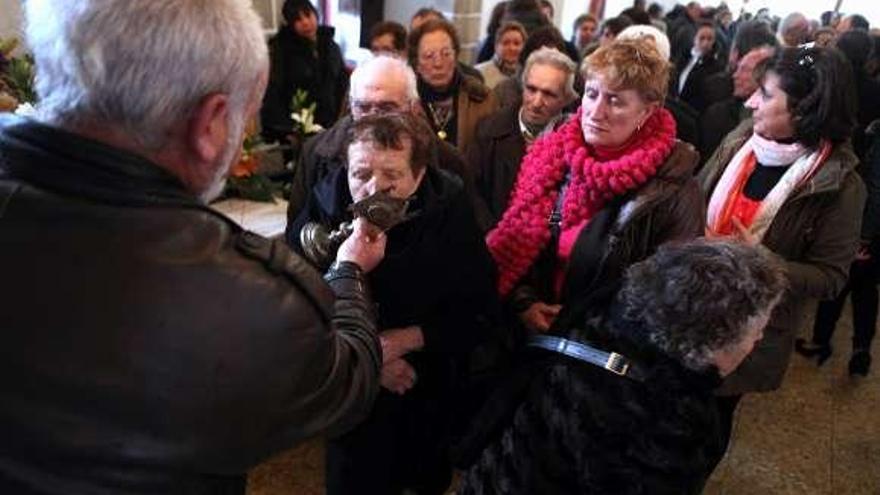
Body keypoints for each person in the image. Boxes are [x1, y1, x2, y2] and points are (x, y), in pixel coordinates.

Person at [0, 0, 387, 493]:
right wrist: (350, 270)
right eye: (245, 115)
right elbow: (347, 380)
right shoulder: (252, 298)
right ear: (210, 124)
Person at [457, 239, 787, 495]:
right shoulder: (674, 423)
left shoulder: (602, 314)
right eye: (757, 329)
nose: (758, 339)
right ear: (713, 339)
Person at [287, 113, 499, 495]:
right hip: (350, 387)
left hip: (426, 381)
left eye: (392, 175)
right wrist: (371, 360)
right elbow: (299, 305)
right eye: (361, 173)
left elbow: (479, 307)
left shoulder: (448, 209)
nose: (373, 189)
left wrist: (405, 340)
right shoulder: (324, 205)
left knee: (422, 479)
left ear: (418, 177)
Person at [699, 46, 866, 452]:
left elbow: (831, 279)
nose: (752, 101)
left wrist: (760, 261)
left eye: (767, 95)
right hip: (689, 305)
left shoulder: (841, 186)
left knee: (704, 431)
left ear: (807, 109)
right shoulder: (742, 137)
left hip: (745, 338)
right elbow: (696, 195)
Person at [487, 38, 704, 346]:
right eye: (591, 94)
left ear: (647, 111)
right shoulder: (554, 152)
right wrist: (524, 301)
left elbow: (667, 294)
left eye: (615, 101)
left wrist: (579, 325)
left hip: (604, 350)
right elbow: (520, 237)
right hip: (528, 333)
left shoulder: (673, 189)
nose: (595, 112)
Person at [285, 54, 469, 228]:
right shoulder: (317, 153)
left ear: (412, 107)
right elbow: (297, 235)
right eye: (363, 107)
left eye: (386, 107)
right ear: (351, 105)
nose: (373, 117)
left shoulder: (447, 160)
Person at [470, 47, 578, 231]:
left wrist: (551, 231)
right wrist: (493, 236)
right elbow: (472, 193)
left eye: (548, 94)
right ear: (522, 85)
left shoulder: (574, 145)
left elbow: (567, 204)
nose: (536, 102)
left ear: (566, 99)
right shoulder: (488, 131)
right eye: (531, 89)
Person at [260, 0, 347, 142]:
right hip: (298, 128)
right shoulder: (282, 50)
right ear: (290, 24)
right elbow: (273, 91)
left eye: (308, 15)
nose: (305, 22)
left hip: (330, 124)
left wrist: (341, 120)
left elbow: (342, 84)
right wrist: (286, 129)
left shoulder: (330, 45)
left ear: (315, 14)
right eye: (297, 19)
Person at [409, 19, 498, 153]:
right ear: (417, 64)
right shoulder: (406, 102)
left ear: (456, 57)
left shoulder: (482, 99)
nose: (438, 63)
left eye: (446, 54)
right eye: (428, 56)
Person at [699, 46, 776, 166]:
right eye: (738, 68)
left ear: (766, 76)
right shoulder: (716, 115)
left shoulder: (775, 126)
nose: (735, 75)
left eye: (744, 70)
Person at [675, 20, 724, 113]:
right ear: (694, 38)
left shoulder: (716, 66)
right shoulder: (683, 57)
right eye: (701, 38)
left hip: (691, 113)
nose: (705, 43)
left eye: (710, 39)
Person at [475, 21, 527, 90]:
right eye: (506, 43)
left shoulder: (528, 74)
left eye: (517, 43)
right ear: (496, 46)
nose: (512, 48)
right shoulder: (479, 73)